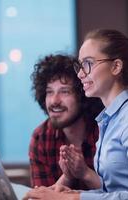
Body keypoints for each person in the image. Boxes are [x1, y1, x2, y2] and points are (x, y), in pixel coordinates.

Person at [24, 29, 128, 200]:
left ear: (116, 66)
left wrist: (72, 199)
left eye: (88, 63)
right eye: (80, 65)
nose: (81, 73)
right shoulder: (109, 119)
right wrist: (75, 193)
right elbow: (116, 190)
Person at [29, 54, 103, 189]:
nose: (54, 101)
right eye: (49, 92)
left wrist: (84, 173)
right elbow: (41, 197)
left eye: (65, 91)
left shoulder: (103, 131)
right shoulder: (42, 137)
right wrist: (68, 177)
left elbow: (121, 193)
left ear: (82, 95)